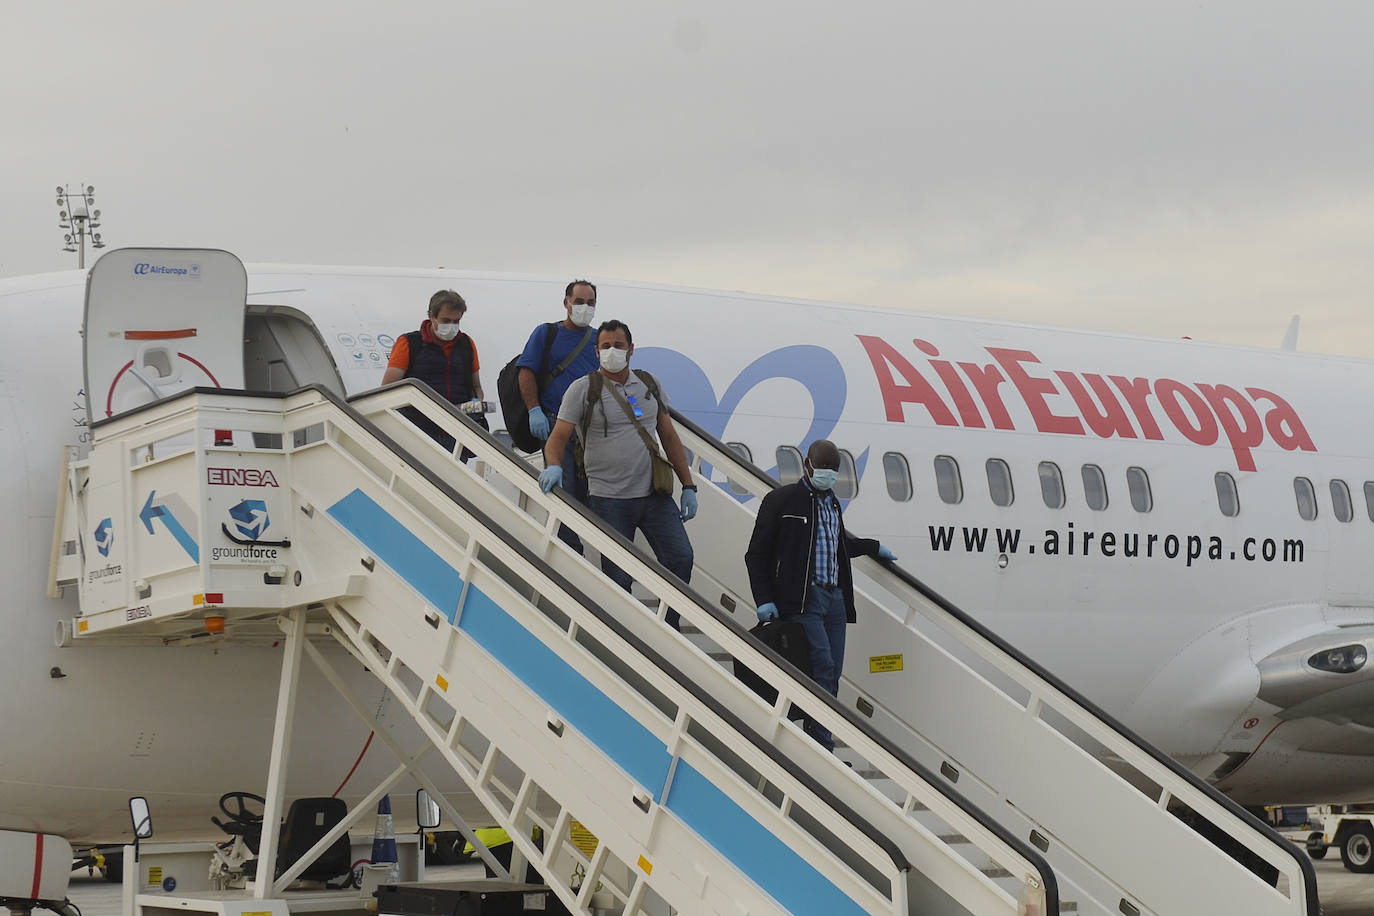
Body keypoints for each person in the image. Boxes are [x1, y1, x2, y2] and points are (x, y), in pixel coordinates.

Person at [537, 320, 697, 628]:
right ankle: (625, 633)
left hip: (653, 494)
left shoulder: (649, 384)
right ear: (597, 351)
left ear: (631, 350)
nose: (612, 352)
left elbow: (668, 435)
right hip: (608, 498)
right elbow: (557, 439)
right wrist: (554, 465)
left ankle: (670, 625)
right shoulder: (583, 389)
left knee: (680, 557)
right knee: (619, 575)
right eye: (606, 346)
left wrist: (688, 485)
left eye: (619, 346)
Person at [744, 439, 897, 751]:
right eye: (822, 469)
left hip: (834, 599)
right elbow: (756, 554)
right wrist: (764, 600)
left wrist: (872, 547)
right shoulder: (782, 501)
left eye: (832, 471)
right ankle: (821, 741)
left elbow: (839, 546)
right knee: (822, 667)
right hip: (803, 600)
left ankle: (819, 729)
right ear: (807, 466)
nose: (826, 476)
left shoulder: (832, 504)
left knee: (833, 671)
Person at [517, 280, 601, 548]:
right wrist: (534, 410)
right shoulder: (547, 333)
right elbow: (526, 372)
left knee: (590, 498)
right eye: (579, 302)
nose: (584, 308)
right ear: (566, 303)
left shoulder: (600, 340)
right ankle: (570, 554)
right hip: (555, 424)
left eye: (590, 303)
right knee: (564, 495)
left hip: (590, 432)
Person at [383, 289, 487, 456]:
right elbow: (388, 389)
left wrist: (475, 404)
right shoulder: (409, 343)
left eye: (456, 321)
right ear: (431, 316)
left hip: (455, 433)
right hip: (417, 431)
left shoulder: (466, 344)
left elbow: (476, 387)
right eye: (446, 320)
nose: (451, 326)